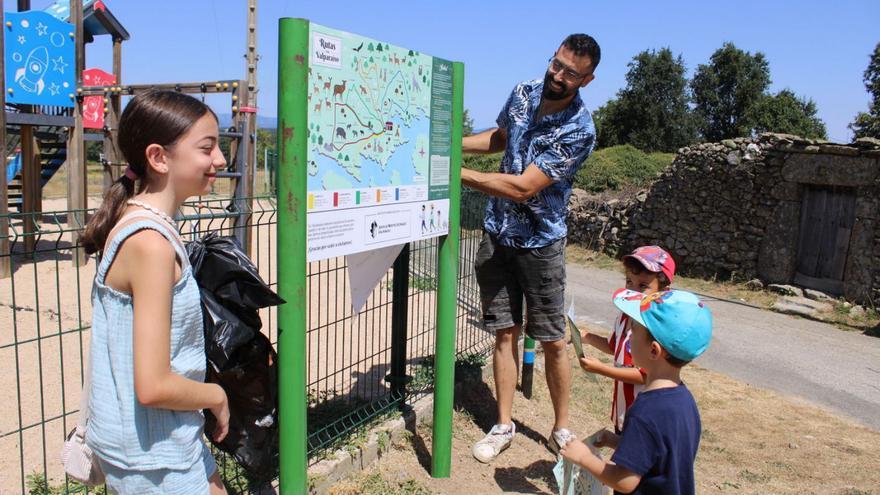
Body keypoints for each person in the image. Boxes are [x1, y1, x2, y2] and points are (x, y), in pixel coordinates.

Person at [81, 90, 229, 494]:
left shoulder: (143, 225)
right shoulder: (150, 244)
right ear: (159, 158)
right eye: (207, 147)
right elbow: (153, 385)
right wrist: (216, 395)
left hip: (167, 437)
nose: (220, 160)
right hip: (153, 456)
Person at [462, 33, 601, 463]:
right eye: (556, 64)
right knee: (504, 333)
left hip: (540, 243)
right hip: (497, 234)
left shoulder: (580, 129)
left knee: (553, 340)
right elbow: (503, 137)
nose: (557, 75)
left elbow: (524, 188)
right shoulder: (523, 92)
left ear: (587, 80)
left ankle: (561, 428)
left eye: (570, 73)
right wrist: (450, 143)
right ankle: (503, 424)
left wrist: (452, 171)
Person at [561, 289, 713, 495]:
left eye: (634, 328)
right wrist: (617, 442)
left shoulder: (645, 412)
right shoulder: (684, 400)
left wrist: (583, 457)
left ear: (654, 350)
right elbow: (659, 454)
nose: (629, 335)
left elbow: (624, 481)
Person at [579, 246, 675, 433]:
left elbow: (644, 374)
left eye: (642, 286)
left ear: (663, 291)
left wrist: (602, 369)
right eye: (629, 281)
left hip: (642, 415)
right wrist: (587, 337)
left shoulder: (653, 329)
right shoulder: (624, 316)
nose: (631, 290)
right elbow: (613, 347)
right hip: (623, 410)